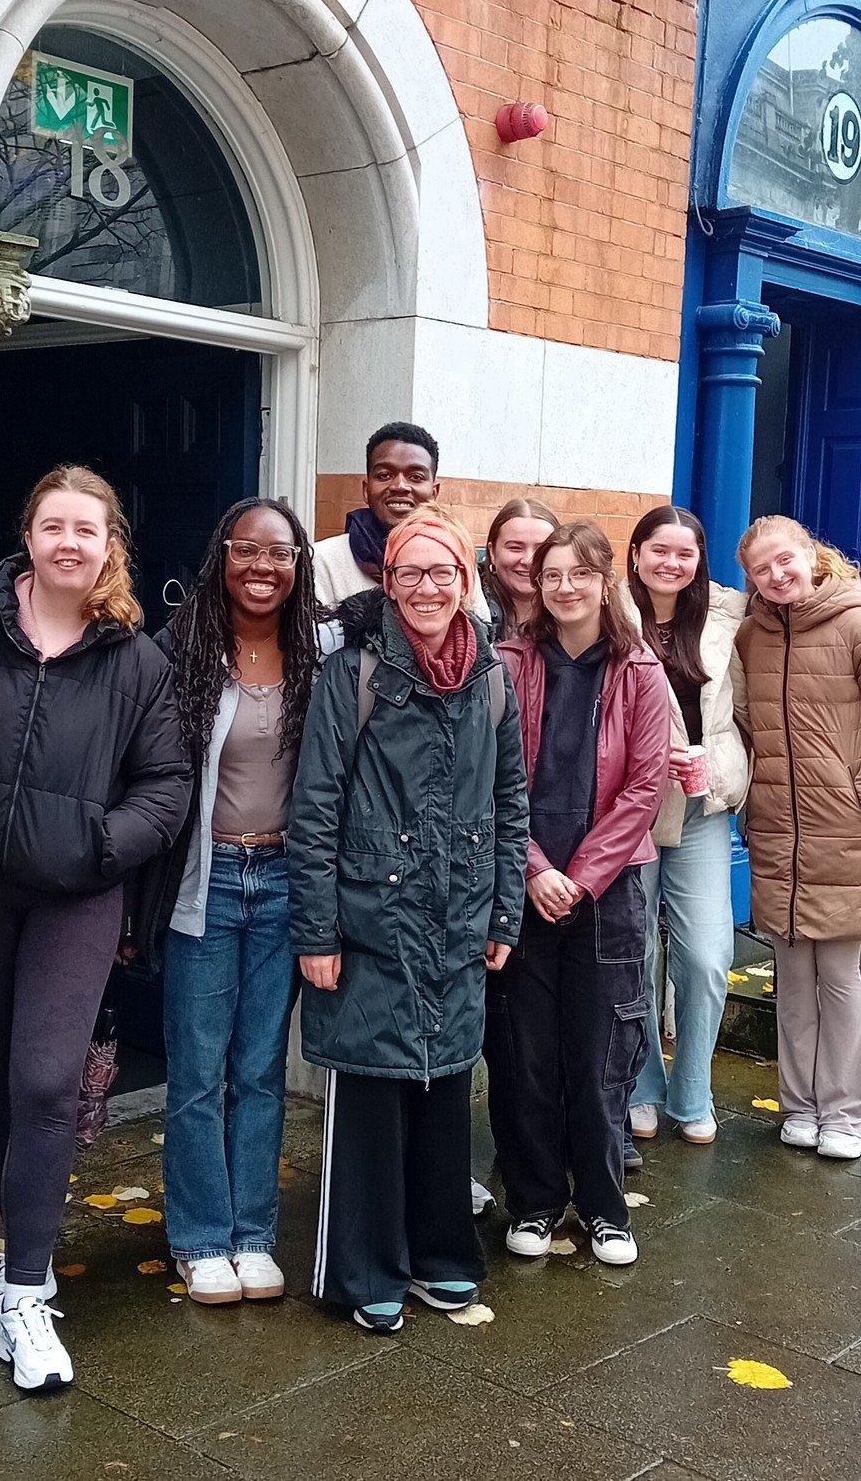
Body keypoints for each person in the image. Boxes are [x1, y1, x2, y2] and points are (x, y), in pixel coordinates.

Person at [0, 465, 190, 1392]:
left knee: (48, 1081)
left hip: (79, 896)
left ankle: (23, 1295)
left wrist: (100, 845)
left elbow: (168, 785)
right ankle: (25, 1262)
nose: (68, 542)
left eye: (86, 529)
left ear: (109, 547)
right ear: (29, 535)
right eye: (53, 525)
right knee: (0, 1089)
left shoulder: (137, 662)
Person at [289, 503, 529, 1333]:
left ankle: (440, 1256)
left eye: (442, 572)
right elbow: (314, 809)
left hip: (460, 918)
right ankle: (365, 1269)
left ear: (466, 581)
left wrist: (507, 910)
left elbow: (510, 803)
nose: (427, 587)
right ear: (386, 582)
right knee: (371, 1098)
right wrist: (315, 931)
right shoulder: (350, 673)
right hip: (369, 916)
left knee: (443, 1090)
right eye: (409, 572)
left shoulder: (493, 679)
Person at [156, 497, 336, 1305]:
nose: (264, 567)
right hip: (210, 881)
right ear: (221, 557)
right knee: (198, 1069)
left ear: (300, 565)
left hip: (287, 879)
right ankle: (199, 1236)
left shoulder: (320, 652)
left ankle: (253, 1233)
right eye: (247, 551)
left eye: (281, 554)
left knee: (261, 1067)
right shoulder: (182, 650)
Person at [487, 520, 668, 1267]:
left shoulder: (640, 671)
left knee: (598, 1057)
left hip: (608, 890)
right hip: (522, 883)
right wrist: (535, 869)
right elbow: (493, 779)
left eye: (579, 574)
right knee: (524, 1053)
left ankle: (602, 1207)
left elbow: (645, 785)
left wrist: (583, 875)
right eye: (551, 572)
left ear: (605, 580)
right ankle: (533, 1201)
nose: (564, 586)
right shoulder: (505, 662)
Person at [735, 516, 861, 1160]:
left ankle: (844, 1114)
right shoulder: (749, 638)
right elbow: (742, 724)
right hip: (778, 833)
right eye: (761, 570)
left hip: (845, 832)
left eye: (784, 560)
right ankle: (800, 1106)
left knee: (839, 977)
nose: (776, 576)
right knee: (791, 977)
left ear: (813, 555)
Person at [623, 506, 749, 1152]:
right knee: (633, 950)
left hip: (703, 804)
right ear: (637, 552)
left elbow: (805, 591)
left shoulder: (727, 614)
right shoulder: (611, 612)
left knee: (705, 955)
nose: (672, 563)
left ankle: (691, 1090)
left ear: (700, 559)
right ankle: (641, 1088)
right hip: (631, 805)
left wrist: (719, 769)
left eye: (686, 553)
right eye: (660, 551)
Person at [312, 422, 442, 605]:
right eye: (384, 475)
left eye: (416, 477)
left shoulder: (455, 563)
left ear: (434, 493)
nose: (400, 486)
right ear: (366, 490)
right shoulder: (324, 561)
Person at [481, 497, 559, 640]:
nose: (528, 560)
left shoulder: (578, 616)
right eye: (515, 548)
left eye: (541, 549)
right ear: (492, 552)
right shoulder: (468, 614)